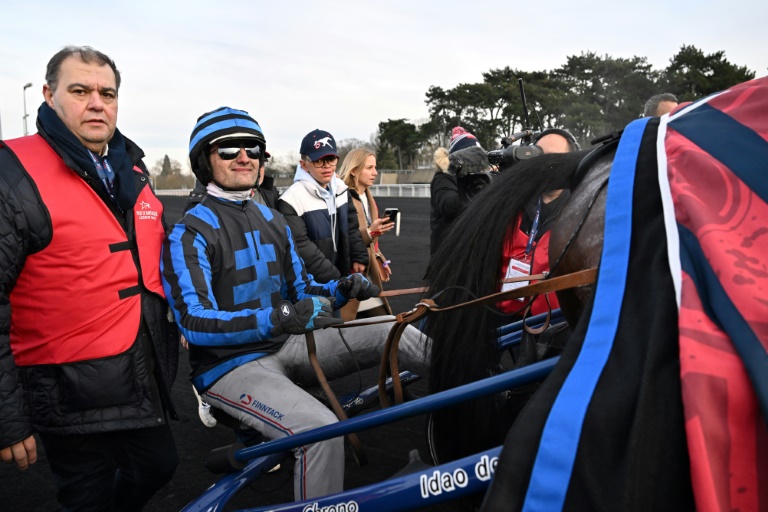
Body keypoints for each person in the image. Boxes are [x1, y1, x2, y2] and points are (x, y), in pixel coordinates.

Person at [163, 108, 429, 501]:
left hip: (287, 343)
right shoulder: (188, 233)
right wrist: (277, 317)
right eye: (229, 149)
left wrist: (341, 290)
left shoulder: (273, 219)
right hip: (230, 365)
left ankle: (484, 404)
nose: (244, 157)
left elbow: (302, 288)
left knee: (393, 328)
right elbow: (193, 321)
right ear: (205, 161)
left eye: (253, 149)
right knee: (319, 430)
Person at [0, 46, 179, 511]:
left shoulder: (131, 166)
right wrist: (7, 417)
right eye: (80, 91)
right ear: (49, 95)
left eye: (108, 93)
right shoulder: (11, 172)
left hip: (136, 373)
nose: (97, 103)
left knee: (158, 467)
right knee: (87, 497)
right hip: (64, 385)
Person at [497, 128, 580, 318]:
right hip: (505, 318)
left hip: (555, 325)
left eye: (556, 158)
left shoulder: (580, 212)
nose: (546, 164)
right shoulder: (512, 206)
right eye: (540, 156)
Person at [278, 130, 368, 283]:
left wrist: (359, 256)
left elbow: (351, 227)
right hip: (312, 285)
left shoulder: (341, 189)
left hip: (341, 278)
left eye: (331, 159)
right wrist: (336, 280)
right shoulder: (290, 200)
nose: (327, 166)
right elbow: (302, 247)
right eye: (319, 161)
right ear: (304, 165)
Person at [337, 148, 395, 320]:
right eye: (369, 168)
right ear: (354, 170)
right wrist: (370, 232)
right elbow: (344, 237)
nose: (375, 173)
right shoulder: (342, 197)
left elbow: (371, 241)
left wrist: (380, 259)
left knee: (371, 324)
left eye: (375, 167)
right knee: (380, 322)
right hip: (352, 274)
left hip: (367, 271)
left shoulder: (369, 198)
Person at [429, 126, 492, 255]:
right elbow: (449, 206)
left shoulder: (478, 178)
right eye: (472, 160)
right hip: (447, 252)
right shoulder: (443, 177)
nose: (476, 165)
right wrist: (476, 188)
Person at [185, 149, 278, 212]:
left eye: (261, 164)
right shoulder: (199, 203)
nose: (245, 160)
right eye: (231, 153)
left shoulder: (271, 193)